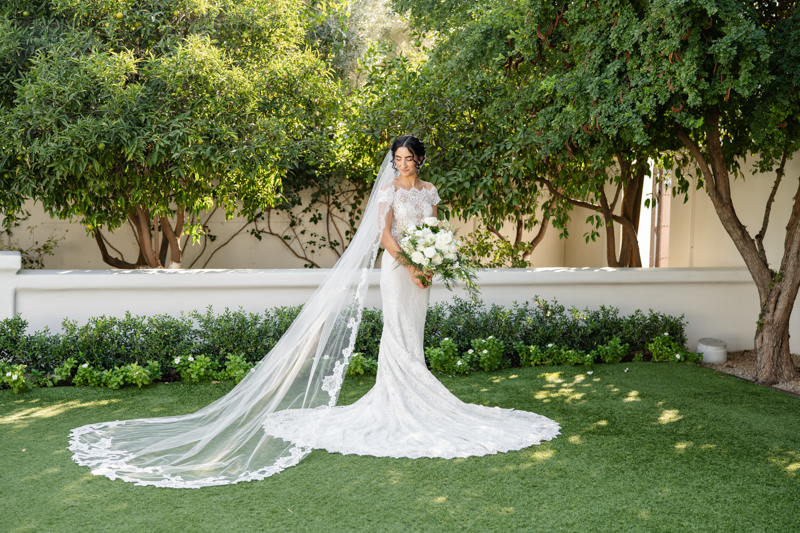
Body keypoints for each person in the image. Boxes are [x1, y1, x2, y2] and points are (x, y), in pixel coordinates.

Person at [68, 136, 560, 488]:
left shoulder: (430, 192)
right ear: (393, 163)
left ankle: (417, 392)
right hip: (397, 270)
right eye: (398, 158)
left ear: (421, 161)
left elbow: (433, 228)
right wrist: (411, 263)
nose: (404, 164)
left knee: (416, 332)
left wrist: (435, 259)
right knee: (396, 330)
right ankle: (399, 401)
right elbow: (386, 236)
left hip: (424, 275)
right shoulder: (388, 192)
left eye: (410, 158)